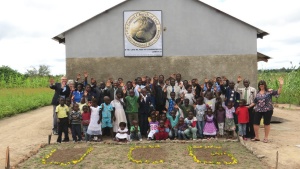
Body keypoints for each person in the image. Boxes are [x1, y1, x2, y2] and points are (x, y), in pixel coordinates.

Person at [248, 78, 284, 143]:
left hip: (268, 110)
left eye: (262, 84)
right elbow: (255, 101)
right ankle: (257, 137)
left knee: (266, 123)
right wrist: (249, 106)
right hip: (258, 109)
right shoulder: (258, 93)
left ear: (265, 85)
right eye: (260, 85)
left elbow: (278, 93)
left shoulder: (269, 91)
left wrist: (281, 85)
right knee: (255, 123)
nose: (261, 86)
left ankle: (266, 138)